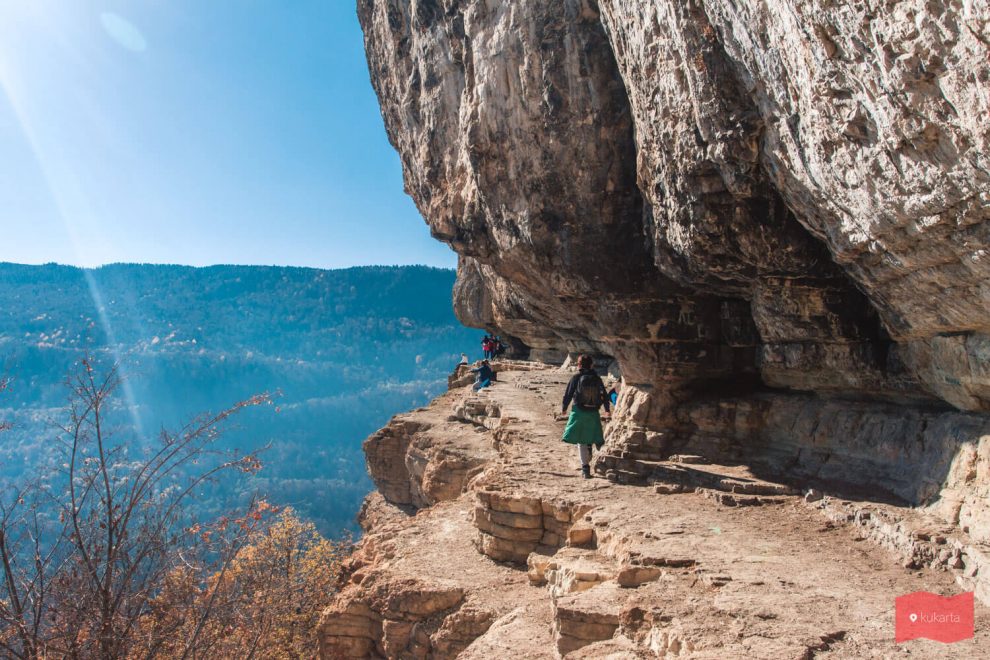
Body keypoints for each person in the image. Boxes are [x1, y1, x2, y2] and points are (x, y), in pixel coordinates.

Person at [561, 355, 610, 479]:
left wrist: (564, 408)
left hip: (579, 410)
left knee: (580, 440)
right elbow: (604, 394)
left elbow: (569, 393)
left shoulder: (576, 377)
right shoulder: (597, 378)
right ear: (591, 365)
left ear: (579, 365)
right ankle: (592, 444)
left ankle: (585, 469)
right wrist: (607, 410)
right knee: (591, 434)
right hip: (593, 410)